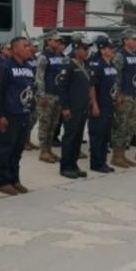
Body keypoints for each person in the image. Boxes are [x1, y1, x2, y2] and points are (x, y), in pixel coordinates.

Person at [0, 36, 35, 194]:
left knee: (17, 150)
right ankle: (2, 181)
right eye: (26, 45)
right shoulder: (5, 67)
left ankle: (14, 179)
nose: (29, 48)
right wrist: (1, 115)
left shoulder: (29, 67)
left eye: (29, 45)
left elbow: (31, 90)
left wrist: (31, 109)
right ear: (15, 48)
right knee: (5, 149)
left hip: (23, 114)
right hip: (9, 115)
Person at [58, 34, 93, 178]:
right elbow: (62, 87)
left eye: (88, 48)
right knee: (69, 137)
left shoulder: (85, 63)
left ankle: (74, 165)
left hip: (82, 106)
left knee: (78, 137)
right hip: (71, 108)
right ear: (76, 48)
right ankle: (65, 167)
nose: (87, 51)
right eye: (84, 48)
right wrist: (65, 107)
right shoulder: (68, 63)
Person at [111, 29, 136, 168]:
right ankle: (116, 156)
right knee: (121, 125)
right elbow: (116, 76)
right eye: (134, 39)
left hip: (134, 95)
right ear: (125, 40)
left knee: (131, 125)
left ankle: (123, 154)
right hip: (124, 95)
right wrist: (117, 94)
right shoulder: (120, 55)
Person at [35, 32, 68, 164]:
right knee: (45, 124)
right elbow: (39, 77)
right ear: (48, 41)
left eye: (59, 41)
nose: (58, 43)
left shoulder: (60, 56)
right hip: (47, 95)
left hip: (58, 95)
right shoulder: (43, 57)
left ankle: (49, 149)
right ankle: (43, 151)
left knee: (54, 124)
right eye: (56, 40)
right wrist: (41, 95)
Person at [88, 37, 117, 173]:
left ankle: (103, 161)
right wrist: (94, 105)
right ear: (102, 50)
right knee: (97, 136)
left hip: (109, 105)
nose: (113, 50)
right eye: (110, 48)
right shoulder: (96, 65)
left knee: (106, 136)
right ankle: (96, 163)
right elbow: (92, 87)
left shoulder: (111, 65)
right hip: (100, 105)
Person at [23, 38, 41, 151]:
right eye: (34, 46)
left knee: (33, 117)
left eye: (37, 46)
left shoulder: (36, 59)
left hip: (36, 91)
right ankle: (24, 141)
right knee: (27, 118)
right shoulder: (24, 60)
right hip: (28, 92)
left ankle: (27, 140)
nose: (36, 48)